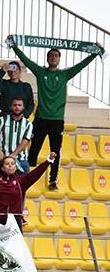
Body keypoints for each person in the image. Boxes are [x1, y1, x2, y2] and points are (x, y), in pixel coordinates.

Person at [11, 41, 101, 190]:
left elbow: (81, 65)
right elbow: (26, 60)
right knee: (33, 149)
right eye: (51, 56)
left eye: (56, 56)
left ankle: (53, 181)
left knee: (55, 152)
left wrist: (94, 53)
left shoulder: (64, 74)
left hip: (57, 120)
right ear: (47, 59)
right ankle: (26, 176)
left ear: (59, 59)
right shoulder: (41, 72)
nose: (53, 58)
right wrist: (14, 45)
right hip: (40, 118)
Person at [0, 97, 33, 173]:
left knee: (25, 183)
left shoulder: (28, 124)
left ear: (23, 107)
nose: (17, 107)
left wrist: (14, 155)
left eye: (19, 105)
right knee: (1, 183)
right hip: (3, 158)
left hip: (21, 159)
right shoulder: (2, 120)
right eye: (15, 105)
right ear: (11, 106)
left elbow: (26, 140)